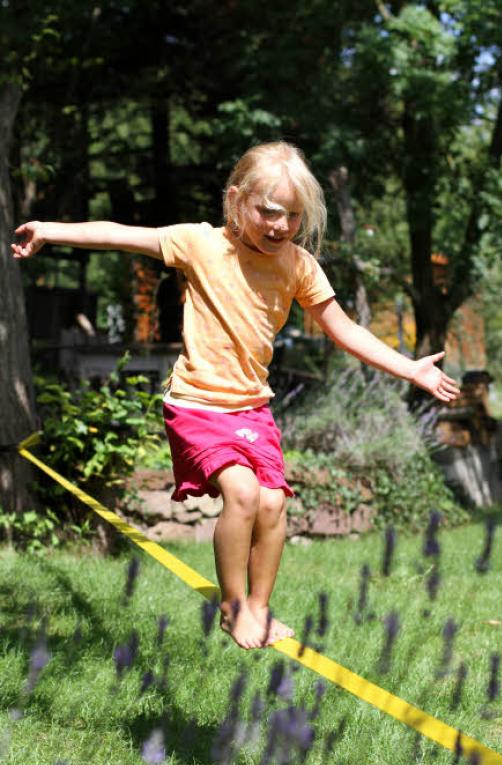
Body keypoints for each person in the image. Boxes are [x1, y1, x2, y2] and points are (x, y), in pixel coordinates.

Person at [12, 141, 460, 650]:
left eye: (292, 215)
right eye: (268, 212)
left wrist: (410, 368)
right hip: (198, 404)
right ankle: (232, 608)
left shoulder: (298, 265)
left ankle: (260, 609)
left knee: (272, 504)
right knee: (243, 494)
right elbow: (121, 236)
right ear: (236, 201)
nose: (280, 225)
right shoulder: (200, 244)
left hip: (252, 407)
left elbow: (344, 330)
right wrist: (49, 230)